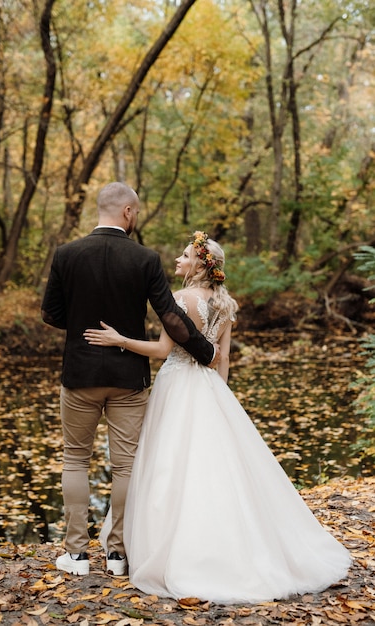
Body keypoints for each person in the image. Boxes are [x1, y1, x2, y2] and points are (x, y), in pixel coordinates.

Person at [84, 231, 351, 604]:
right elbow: (221, 359)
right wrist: (220, 398)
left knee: (168, 466)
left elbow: (163, 350)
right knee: (216, 467)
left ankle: (167, 548)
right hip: (209, 389)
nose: (177, 259)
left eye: (184, 255)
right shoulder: (227, 304)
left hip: (176, 386)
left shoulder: (180, 298)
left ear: (198, 264)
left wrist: (119, 341)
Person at [41, 184, 217, 578]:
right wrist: (206, 353)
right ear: (127, 212)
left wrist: (83, 325)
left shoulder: (66, 254)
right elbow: (170, 315)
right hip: (128, 377)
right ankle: (117, 556)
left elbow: (51, 313)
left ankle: (76, 556)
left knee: (75, 458)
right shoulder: (144, 258)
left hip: (80, 374)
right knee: (125, 467)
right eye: (135, 212)